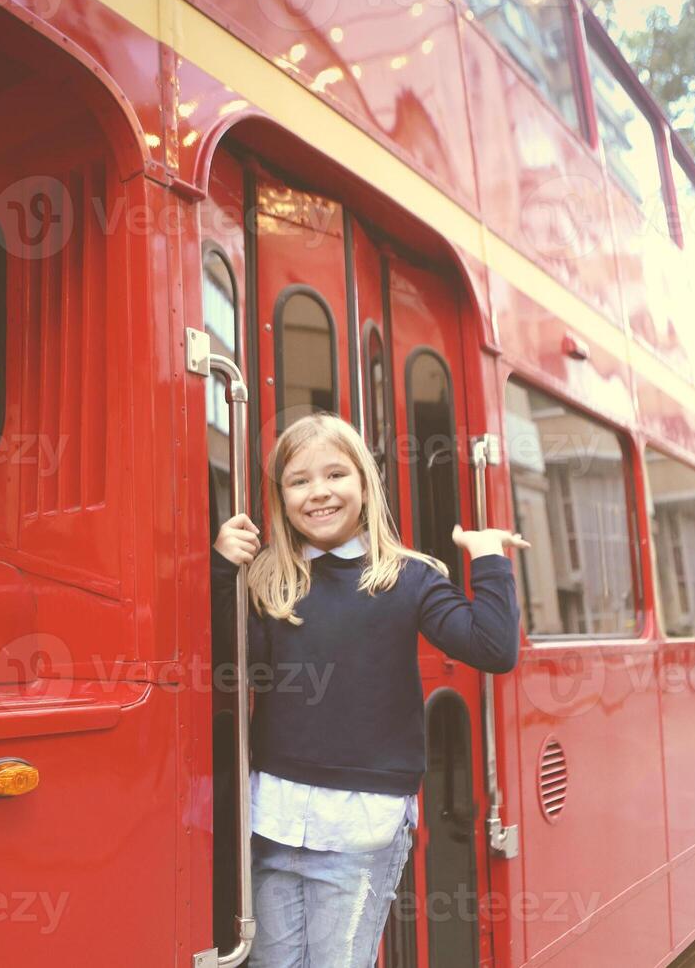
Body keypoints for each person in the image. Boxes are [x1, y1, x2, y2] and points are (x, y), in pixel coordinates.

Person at [211, 412, 528, 968]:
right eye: (299, 481)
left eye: (335, 475)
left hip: (360, 826)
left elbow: (493, 648)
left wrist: (487, 556)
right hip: (275, 819)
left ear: (364, 483)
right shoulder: (268, 579)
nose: (319, 493)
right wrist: (222, 571)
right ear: (281, 499)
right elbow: (232, 667)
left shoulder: (409, 577)